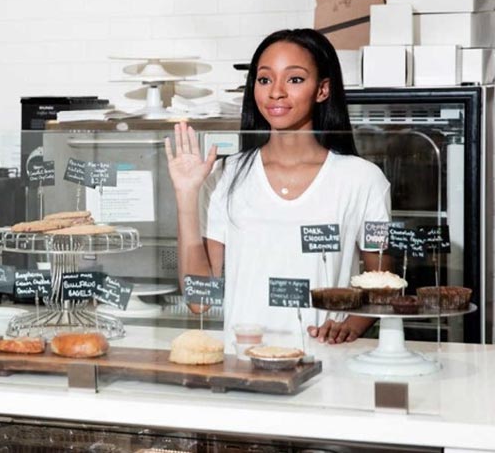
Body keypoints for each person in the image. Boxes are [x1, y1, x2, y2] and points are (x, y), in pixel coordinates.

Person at [164, 28, 391, 347]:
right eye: (265, 79)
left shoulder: (364, 179)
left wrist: (350, 325)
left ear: (323, 89)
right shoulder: (226, 175)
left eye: (295, 79)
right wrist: (187, 195)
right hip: (244, 365)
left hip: (327, 363)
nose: (276, 92)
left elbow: (383, 285)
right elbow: (199, 300)